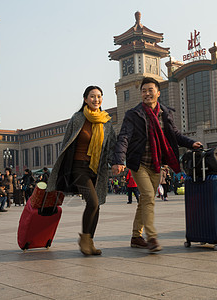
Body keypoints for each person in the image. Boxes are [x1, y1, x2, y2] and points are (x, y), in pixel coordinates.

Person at [112, 77, 202, 252]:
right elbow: (124, 137)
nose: (147, 93)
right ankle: (151, 237)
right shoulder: (133, 114)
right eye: (144, 91)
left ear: (158, 93)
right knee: (147, 197)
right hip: (138, 163)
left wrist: (191, 143)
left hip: (156, 163)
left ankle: (136, 236)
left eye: (150, 90)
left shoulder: (165, 113)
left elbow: (175, 135)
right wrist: (118, 160)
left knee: (146, 199)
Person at [47, 85, 116, 256]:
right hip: (78, 168)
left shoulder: (106, 121)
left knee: (97, 204)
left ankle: (89, 242)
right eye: (92, 96)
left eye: (99, 96)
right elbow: (66, 143)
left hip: (97, 169)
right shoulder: (77, 118)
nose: (96, 99)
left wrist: (116, 162)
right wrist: (61, 168)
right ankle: (84, 239)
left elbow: (112, 146)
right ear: (85, 99)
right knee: (92, 202)